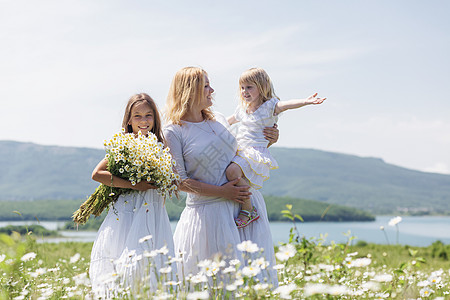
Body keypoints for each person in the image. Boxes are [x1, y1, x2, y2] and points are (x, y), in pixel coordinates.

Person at [164, 67, 279, 286]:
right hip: (209, 215)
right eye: (206, 86)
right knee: (214, 284)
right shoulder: (174, 131)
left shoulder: (218, 119)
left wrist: (270, 138)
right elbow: (178, 181)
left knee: (252, 283)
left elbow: (244, 147)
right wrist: (223, 192)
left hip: (245, 211)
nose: (212, 90)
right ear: (190, 91)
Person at [89, 93, 176, 297]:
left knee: (152, 260)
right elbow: (97, 174)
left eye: (148, 116)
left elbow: (171, 176)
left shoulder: (161, 145)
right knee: (126, 256)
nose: (143, 121)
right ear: (129, 120)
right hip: (129, 209)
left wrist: (165, 179)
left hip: (153, 209)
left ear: (155, 118)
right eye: (137, 116)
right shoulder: (125, 144)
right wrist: (134, 184)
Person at [226, 67, 326, 228]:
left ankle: (248, 209)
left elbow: (287, 105)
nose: (245, 91)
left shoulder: (269, 106)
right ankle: (244, 206)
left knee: (232, 172)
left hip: (255, 151)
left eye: (249, 87)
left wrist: (305, 102)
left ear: (262, 87)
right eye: (242, 87)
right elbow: (226, 121)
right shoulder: (242, 110)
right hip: (241, 150)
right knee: (232, 173)